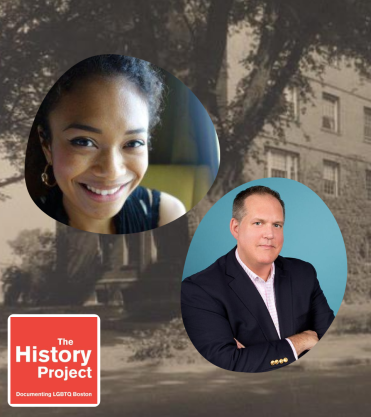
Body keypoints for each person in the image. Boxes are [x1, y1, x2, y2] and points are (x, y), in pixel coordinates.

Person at [180, 186, 335, 372]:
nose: (269, 235)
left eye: (277, 225)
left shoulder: (303, 274)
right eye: (258, 223)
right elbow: (228, 363)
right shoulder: (200, 289)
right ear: (236, 228)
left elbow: (330, 342)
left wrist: (254, 355)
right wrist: (302, 341)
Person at [29, 54, 185, 234]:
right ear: (47, 145)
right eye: (84, 142)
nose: (112, 171)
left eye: (133, 143)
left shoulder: (166, 215)